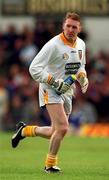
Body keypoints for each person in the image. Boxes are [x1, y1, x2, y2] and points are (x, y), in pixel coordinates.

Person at [11, 12, 89, 173]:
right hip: (50, 88)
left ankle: (24, 131)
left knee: (55, 131)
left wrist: (83, 78)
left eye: (74, 27)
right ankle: (50, 165)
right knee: (63, 128)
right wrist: (54, 82)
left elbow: (80, 66)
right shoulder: (53, 45)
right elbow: (34, 68)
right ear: (63, 25)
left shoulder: (81, 44)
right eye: (68, 25)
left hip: (67, 90)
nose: (70, 29)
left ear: (79, 28)